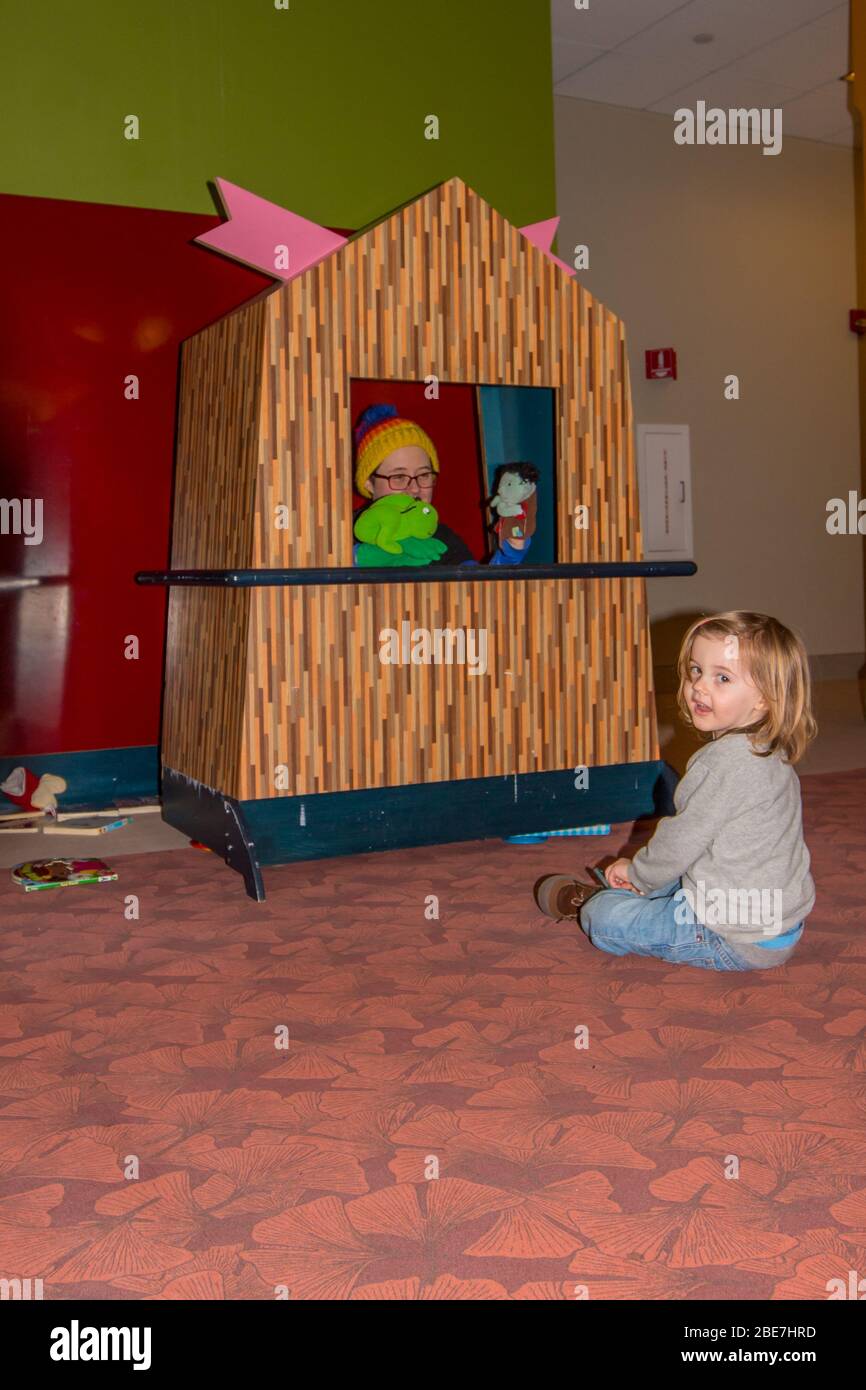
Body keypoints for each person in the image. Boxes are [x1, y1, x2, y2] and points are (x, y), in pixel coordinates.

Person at [534, 611, 817, 971]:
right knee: (663, 879)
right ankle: (634, 894)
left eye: (722, 678)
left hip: (731, 937)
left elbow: (681, 841)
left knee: (603, 916)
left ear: (764, 699)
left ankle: (591, 902)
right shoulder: (769, 750)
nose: (699, 686)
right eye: (696, 671)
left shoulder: (723, 765)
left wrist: (638, 874)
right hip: (776, 921)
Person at [352, 403, 475, 565]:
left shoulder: (445, 540)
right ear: (369, 483)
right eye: (399, 476)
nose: (415, 488)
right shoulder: (343, 533)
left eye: (423, 475)